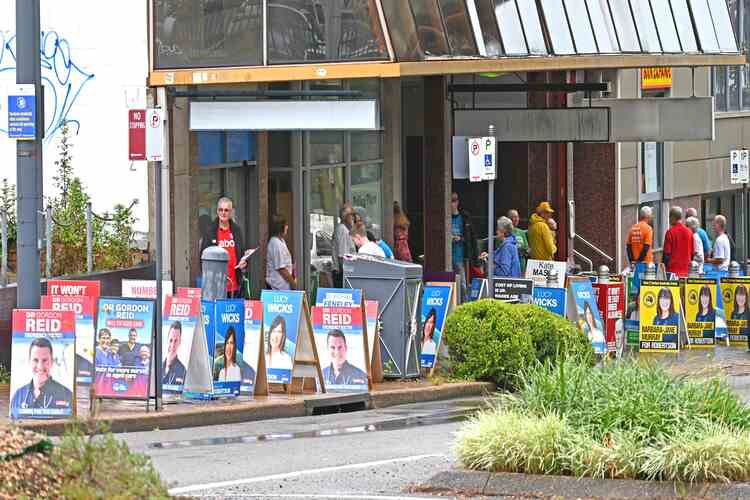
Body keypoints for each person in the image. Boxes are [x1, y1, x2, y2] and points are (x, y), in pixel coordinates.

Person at [200, 197, 248, 298]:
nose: (223, 213)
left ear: (231, 212)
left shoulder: (236, 230)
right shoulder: (210, 231)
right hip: (216, 286)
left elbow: (241, 253)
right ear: (217, 211)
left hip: (235, 285)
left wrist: (243, 263)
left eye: (226, 210)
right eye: (220, 210)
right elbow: (202, 258)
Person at [10, 337, 73, 416]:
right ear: (29, 361)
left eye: (45, 360)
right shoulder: (18, 396)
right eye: (35, 360)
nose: (40, 366)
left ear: (52, 362)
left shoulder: (67, 395)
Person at [450, 192, 478, 300]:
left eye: (453, 201)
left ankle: (464, 302)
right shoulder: (446, 218)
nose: (451, 204)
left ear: (457, 202)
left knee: (462, 283)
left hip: (459, 255)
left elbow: (470, 237)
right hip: (448, 255)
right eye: (450, 201)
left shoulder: (464, 218)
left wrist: (460, 239)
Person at [266, 215, 296, 290]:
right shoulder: (275, 243)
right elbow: (281, 268)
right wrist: (293, 283)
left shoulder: (281, 241)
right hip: (277, 287)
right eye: (286, 225)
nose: (287, 227)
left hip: (282, 286)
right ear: (281, 227)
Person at [663, 206, 693, 278]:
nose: (669, 220)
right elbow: (692, 253)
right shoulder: (689, 232)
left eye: (669, 217)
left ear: (673, 217)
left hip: (672, 273)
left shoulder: (670, 232)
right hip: (686, 272)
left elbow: (666, 254)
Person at [332, 203, 356, 287]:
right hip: (342, 273)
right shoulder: (343, 230)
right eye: (351, 215)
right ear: (345, 217)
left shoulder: (343, 229)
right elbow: (342, 256)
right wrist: (347, 274)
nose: (353, 218)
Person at [162, 321, 186, 386]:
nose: (172, 345)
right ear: (167, 340)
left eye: (176, 341)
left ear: (180, 342)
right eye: (170, 340)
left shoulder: (183, 371)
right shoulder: (158, 367)